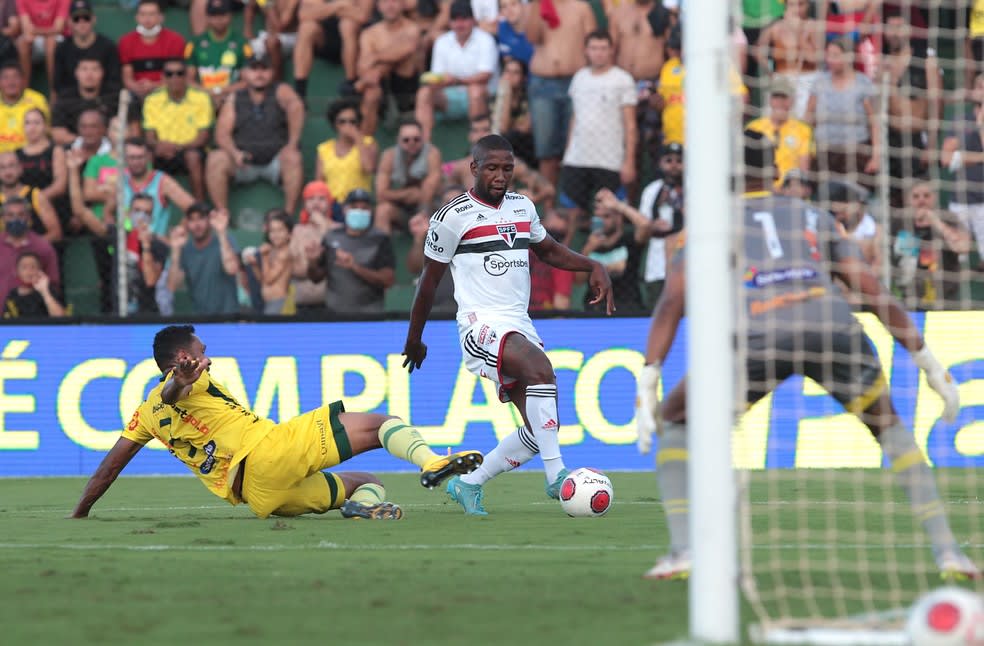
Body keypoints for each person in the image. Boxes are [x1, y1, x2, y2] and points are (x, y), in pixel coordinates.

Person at [635, 130, 980, 581]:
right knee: (892, 429)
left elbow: (671, 303)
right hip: (832, 327)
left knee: (678, 418)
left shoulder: (711, 223)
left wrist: (648, 379)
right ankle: (949, 551)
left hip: (759, 332)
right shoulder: (813, 215)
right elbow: (871, 289)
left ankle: (684, 550)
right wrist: (927, 361)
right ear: (775, 171)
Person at [71, 325, 485, 520]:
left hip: (259, 497)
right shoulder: (188, 381)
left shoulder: (145, 414)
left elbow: (110, 467)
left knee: (363, 481)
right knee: (382, 424)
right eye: (202, 351)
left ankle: (364, 507)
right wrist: (180, 379)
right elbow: (172, 391)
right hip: (269, 451)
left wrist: (81, 512)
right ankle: (431, 463)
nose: (208, 358)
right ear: (182, 357)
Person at [402, 134, 614, 515]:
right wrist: (414, 339)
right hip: (479, 325)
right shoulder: (451, 218)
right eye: (492, 168)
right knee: (540, 369)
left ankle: (469, 484)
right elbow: (428, 284)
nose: (500, 176)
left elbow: (547, 250)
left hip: (518, 323)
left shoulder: (522, 207)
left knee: (538, 431)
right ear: (475, 168)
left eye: (507, 168)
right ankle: (556, 477)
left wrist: (592, 264)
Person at [206, 52, 304, 216]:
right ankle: (222, 215)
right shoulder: (235, 97)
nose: (259, 74)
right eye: (254, 69)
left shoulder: (280, 90)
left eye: (264, 69)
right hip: (243, 162)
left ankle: (288, 217)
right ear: (244, 73)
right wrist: (234, 153)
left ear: (272, 72)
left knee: (293, 157)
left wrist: (292, 144)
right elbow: (222, 134)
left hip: (275, 160)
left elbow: (296, 107)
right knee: (216, 158)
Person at [559, 30, 637, 231]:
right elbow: (574, 118)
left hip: (609, 159)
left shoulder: (622, 79)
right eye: (594, 48)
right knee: (572, 213)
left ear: (611, 50)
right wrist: (568, 152)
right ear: (586, 51)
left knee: (612, 213)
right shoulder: (579, 78)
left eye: (603, 48)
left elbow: (630, 124)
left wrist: (629, 162)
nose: (599, 53)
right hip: (577, 157)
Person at [596, 142, 684, 307]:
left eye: (679, 161)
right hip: (656, 264)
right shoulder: (652, 190)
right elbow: (642, 226)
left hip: (686, 259)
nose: (673, 165)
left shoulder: (695, 189)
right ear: (660, 163)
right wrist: (652, 226)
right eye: (669, 160)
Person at [523, 0, 597, 186]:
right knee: (547, 153)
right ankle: (548, 210)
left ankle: (572, 210)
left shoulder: (581, 8)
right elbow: (532, 37)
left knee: (575, 151)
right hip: (543, 85)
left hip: (576, 84)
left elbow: (592, 45)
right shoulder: (538, 6)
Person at [414, 0, 498, 141]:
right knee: (424, 93)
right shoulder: (442, 41)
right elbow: (438, 77)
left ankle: (478, 144)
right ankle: (424, 145)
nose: (459, 25)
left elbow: (485, 76)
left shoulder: (485, 39)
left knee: (475, 91)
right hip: (450, 96)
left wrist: (456, 80)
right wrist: (441, 81)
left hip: (483, 96)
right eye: (455, 20)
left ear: (473, 20)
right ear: (450, 22)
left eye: (464, 19)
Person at [305, 188, 395, 314]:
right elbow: (316, 278)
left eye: (364, 208)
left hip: (370, 316)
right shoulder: (331, 237)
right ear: (345, 210)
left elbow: (387, 280)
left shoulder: (380, 239)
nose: (359, 211)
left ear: (371, 211)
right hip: (334, 315)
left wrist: (355, 267)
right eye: (354, 207)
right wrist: (312, 262)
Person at [805, 38, 880, 186]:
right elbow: (808, 118)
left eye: (835, 55)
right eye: (828, 55)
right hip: (824, 154)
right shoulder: (819, 82)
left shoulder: (863, 83)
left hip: (855, 154)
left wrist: (876, 156)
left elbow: (874, 123)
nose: (830, 60)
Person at [893, 179, 972, 311]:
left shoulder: (948, 218)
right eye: (916, 196)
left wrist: (935, 221)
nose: (921, 200)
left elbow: (963, 247)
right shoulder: (898, 221)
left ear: (935, 197)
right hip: (907, 296)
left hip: (943, 297)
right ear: (907, 200)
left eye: (926, 196)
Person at [443, 113, 553, 206]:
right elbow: (445, 197)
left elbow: (548, 190)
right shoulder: (460, 167)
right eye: (476, 131)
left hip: (506, 220)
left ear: (494, 132)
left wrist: (528, 200)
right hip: (475, 224)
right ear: (470, 136)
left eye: (485, 130)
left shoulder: (512, 164)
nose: (480, 135)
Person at [142, 58, 214, 201]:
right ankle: (146, 204)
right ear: (163, 78)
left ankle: (199, 208)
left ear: (187, 77)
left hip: (189, 149)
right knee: (146, 156)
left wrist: (177, 147)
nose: (174, 78)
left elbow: (203, 137)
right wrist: (159, 146)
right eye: (169, 74)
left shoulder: (201, 98)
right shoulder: (152, 100)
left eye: (179, 73)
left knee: (192, 156)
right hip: (162, 149)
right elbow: (150, 136)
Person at [353, 0, 420, 136]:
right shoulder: (369, 33)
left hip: (406, 86)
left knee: (403, 60)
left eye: (395, 1)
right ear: (378, 6)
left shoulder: (412, 28)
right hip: (379, 85)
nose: (390, 6)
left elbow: (407, 49)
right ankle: (366, 142)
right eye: (385, 1)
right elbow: (363, 65)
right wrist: (387, 57)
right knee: (372, 93)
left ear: (403, 4)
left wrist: (376, 57)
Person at [166, 203, 240, 315]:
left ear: (210, 220)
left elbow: (232, 269)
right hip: (201, 318)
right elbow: (172, 286)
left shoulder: (225, 240)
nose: (197, 224)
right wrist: (175, 251)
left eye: (201, 218)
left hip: (228, 316)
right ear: (187, 224)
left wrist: (221, 233)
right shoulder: (185, 249)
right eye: (192, 220)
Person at [291, 0, 372, 100]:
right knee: (306, 28)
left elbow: (363, 16)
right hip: (326, 38)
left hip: (356, 40)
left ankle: (351, 83)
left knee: (347, 25)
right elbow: (303, 15)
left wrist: (323, 10)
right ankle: (300, 92)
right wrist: (339, 5)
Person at [754, 0, 822, 118]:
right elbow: (758, 52)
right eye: (792, 5)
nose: (797, 9)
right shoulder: (775, 27)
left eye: (801, 4)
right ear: (786, 6)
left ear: (808, 5)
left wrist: (799, 34)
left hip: (808, 82)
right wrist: (772, 74)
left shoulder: (814, 26)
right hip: (782, 80)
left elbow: (816, 59)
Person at [374, 118, 442, 234]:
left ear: (423, 139)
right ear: (398, 140)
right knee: (382, 210)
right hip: (403, 210)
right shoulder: (389, 156)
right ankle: (381, 250)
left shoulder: (432, 153)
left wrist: (397, 195)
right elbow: (380, 195)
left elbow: (427, 193)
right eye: (406, 140)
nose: (411, 143)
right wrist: (407, 194)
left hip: (430, 209)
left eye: (416, 139)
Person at [746, 77, 813, 191]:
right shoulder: (753, 128)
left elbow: (803, 168)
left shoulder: (803, 130)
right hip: (760, 190)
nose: (780, 102)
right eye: (776, 97)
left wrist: (785, 190)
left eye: (784, 97)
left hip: (790, 192)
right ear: (770, 100)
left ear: (792, 100)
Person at [185, 0, 253, 108]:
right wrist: (209, 93)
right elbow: (188, 80)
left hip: (232, 97)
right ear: (207, 17)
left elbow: (246, 81)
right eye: (214, 15)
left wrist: (221, 92)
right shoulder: (195, 43)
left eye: (223, 14)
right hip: (202, 96)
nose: (219, 19)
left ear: (230, 16)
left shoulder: (241, 43)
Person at [314, 99, 376, 216]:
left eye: (352, 122)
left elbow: (369, 168)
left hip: (358, 204)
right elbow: (319, 183)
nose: (348, 125)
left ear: (358, 124)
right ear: (335, 124)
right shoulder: (324, 149)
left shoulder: (368, 143)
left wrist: (358, 139)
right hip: (332, 205)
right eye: (342, 122)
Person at [118, 0, 186, 105]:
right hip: (136, 95)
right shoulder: (126, 42)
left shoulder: (175, 41)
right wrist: (138, 88)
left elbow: (176, 76)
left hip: (167, 93)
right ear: (137, 17)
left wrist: (154, 86)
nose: (147, 18)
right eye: (143, 14)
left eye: (152, 14)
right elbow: (127, 78)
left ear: (161, 17)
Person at [52, 0, 121, 97]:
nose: (82, 23)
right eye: (76, 19)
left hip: (103, 100)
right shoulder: (62, 48)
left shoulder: (107, 46)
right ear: (69, 22)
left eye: (86, 18)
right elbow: (58, 85)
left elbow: (114, 82)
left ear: (94, 19)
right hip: (71, 102)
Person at [17, 108, 68, 233]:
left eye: (36, 123)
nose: (32, 127)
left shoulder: (55, 151)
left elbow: (60, 185)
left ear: (45, 126)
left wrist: (36, 200)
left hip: (53, 207)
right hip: (21, 211)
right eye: (28, 123)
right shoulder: (16, 154)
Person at [50, 54, 118, 145]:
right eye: (84, 69)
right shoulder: (64, 100)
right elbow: (58, 134)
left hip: (110, 151)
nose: (89, 74)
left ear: (102, 73)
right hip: (73, 151)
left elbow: (131, 132)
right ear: (76, 73)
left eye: (95, 69)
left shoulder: (114, 99)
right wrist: (85, 143)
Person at [0, 195, 58, 298]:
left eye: (21, 214)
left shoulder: (42, 247)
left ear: (29, 217)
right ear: (3, 218)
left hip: (31, 312)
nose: (15, 219)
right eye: (10, 215)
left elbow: (53, 286)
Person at [0, 150, 60, 241]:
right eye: (2, 167)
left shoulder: (36, 195)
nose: (7, 172)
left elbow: (56, 233)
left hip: (32, 253)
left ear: (20, 169)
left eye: (11, 166)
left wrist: (30, 246)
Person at [243, 208, 293, 314]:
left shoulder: (285, 253)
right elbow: (262, 280)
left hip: (279, 302)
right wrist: (255, 265)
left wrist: (264, 256)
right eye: (272, 231)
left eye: (280, 230)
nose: (275, 235)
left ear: (289, 234)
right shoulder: (273, 250)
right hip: (269, 302)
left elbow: (269, 279)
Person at [14, 0, 68, 86]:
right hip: (36, 39)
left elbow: (59, 28)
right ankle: (23, 92)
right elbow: (26, 28)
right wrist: (48, 31)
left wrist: (35, 30)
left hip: (58, 40)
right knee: (22, 43)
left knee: (50, 42)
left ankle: (55, 93)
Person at [0, 61, 48, 153]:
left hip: (30, 155)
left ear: (23, 80)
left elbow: (45, 133)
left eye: (15, 77)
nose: (11, 82)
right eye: (5, 77)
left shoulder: (37, 100)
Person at [3, 250, 64, 317]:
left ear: (40, 270)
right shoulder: (12, 295)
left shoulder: (49, 291)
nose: (29, 272)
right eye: (24, 267)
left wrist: (44, 291)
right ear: (17, 272)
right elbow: (7, 322)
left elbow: (60, 317)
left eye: (33, 267)